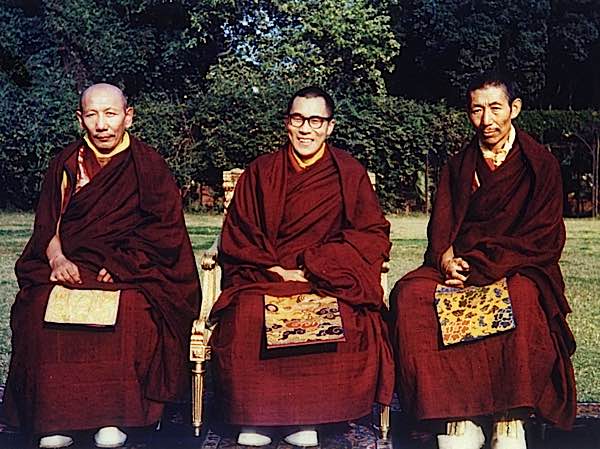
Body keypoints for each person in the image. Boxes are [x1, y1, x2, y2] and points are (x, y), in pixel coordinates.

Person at [3, 83, 200, 448]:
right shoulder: (65, 163)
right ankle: (55, 419)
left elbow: (165, 230)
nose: (102, 124)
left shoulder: (148, 164)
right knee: (38, 311)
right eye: (92, 115)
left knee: (132, 313)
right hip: (71, 266)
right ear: (80, 119)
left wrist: (124, 262)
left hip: (131, 271)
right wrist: (56, 259)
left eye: (111, 114)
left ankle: (115, 417)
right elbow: (49, 225)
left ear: (129, 116)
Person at [389, 71, 576, 449]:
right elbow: (441, 226)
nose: (486, 120)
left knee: (521, 298)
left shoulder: (540, 164)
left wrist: (484, 265)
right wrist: (444, 260)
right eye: (477, 110)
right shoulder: (459, 165)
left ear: (515, 109)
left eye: (495, 108)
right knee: (410, 296)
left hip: (518, 263)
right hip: (461, 265)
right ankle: (457, 414)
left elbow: (543, 235)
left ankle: (510, 418)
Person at [210, 86, 394, 447]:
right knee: (248, 312)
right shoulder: (261, 171)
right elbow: (238, 233)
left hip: (325, 280)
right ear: (286, 124)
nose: (306, 129)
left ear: (330, 127)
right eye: (298, 119)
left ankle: (308, 415)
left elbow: (372, 235)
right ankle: (257, 416)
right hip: (266, 275)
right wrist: (275, 269)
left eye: (315, 121)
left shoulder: (349, 172)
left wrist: (317, 265)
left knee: (336, 312)